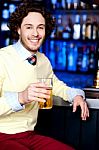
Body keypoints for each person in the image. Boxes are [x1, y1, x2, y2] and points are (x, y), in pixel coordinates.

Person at [0, 0, 89, 150]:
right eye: (29, 27)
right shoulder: (2, 58)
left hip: (29, 135)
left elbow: (57, 86)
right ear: (18, 29)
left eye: (40, 27)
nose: (35, 33)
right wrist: (21, 97)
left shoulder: (42, 61)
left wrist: (76, 95)